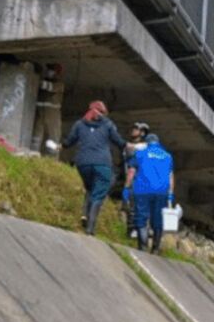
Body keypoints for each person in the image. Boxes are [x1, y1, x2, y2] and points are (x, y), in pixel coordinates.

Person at [62, 100, 125, 236]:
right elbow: (119, 141)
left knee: (90, 189)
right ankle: (90, 228)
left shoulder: (79, 124)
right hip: (102, 164)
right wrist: (127, 148)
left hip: (83, 164)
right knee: (98, 194)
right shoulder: (108, 124)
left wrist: (61, 146)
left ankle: (84, 214)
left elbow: (69, 141)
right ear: (103, 112)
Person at [124, 133, 174, 254]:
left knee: (141, 217)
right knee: (158, 220)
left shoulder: (140, 153)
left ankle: (143, 246)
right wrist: (171, 194)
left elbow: (131, 171)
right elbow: (171, 176)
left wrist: (126, 188)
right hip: (162, 191)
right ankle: (156, 249)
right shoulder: (167, 156)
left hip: (143, 189)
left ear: (147, 143)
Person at [34, 63, 65, 156]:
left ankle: (53, 159)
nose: (48, 71)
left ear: (57, 73)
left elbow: (48, 86)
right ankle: (33, 155)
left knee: (53, 137)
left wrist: (36, 78)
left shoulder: (59, 85)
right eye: (48, 69)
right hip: (40, 113)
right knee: (36, 135)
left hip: (53, 116)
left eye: (51, 70)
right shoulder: (43, 82)